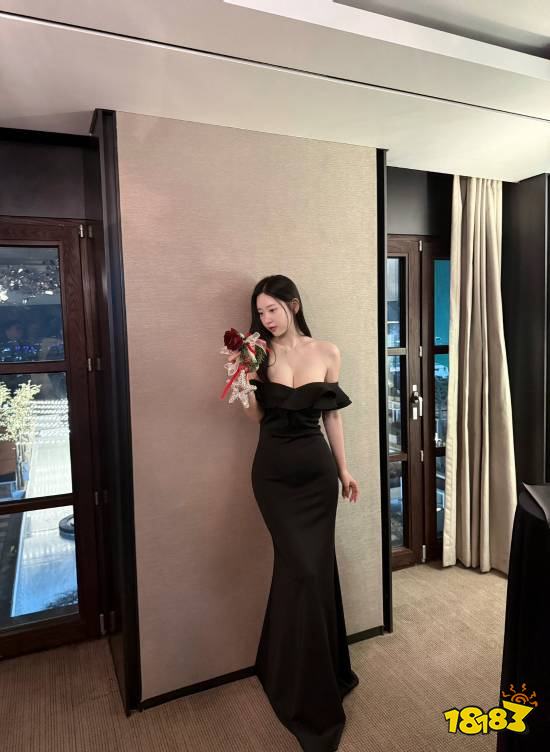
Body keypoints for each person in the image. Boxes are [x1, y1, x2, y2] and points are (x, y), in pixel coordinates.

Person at [228, 275, 360, 752]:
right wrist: (243, 384)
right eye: (260, 311)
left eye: (273, 309)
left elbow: (332, 416)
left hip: (318, 478)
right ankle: (299, 683)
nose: (266, 318)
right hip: (274, 477)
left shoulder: (327, 351)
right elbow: (257, 419)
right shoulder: (256, 355)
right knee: (301, 569)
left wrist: (344, 469)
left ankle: (314, 670)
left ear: (294, 305)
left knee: (312, 570)